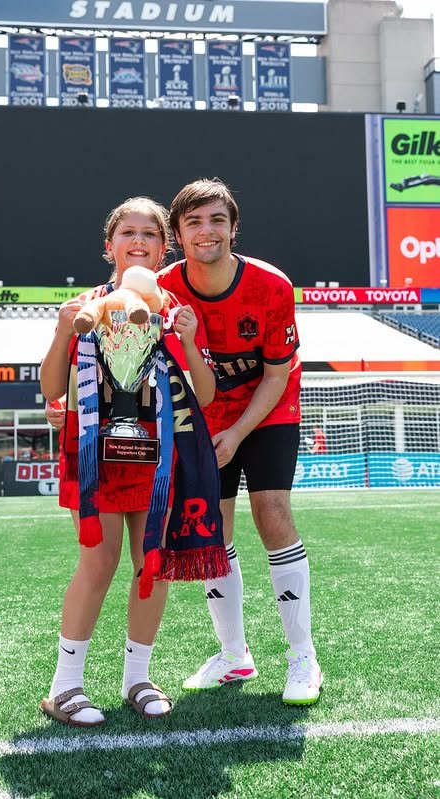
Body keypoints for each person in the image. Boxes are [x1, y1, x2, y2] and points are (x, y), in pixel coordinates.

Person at [40, 196, 218, 727]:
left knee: (152, 565)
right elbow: (52, 389)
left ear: (164, 249)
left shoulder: (175, 310)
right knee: (100, 560)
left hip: (155, 455)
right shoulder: (86, 305)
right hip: (95, 450)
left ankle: (137, 677)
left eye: (149, 234)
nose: (138, 241)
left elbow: (204, 395)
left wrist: (186, 341)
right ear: (109, 246)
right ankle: (65, 687)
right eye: (127, 233)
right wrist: (59, 332)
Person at [157, 178, 323, 705]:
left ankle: (303, 657)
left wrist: (236, 433)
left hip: (268, 408)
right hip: (202, 414)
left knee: (272, 512)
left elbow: (275, 376)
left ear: (233, 228)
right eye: (194, 222)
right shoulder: (162, 287)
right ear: (179, 234)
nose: (207, 232)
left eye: (217, 221)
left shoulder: (272, 285)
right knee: (214, 529)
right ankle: (234, 655)